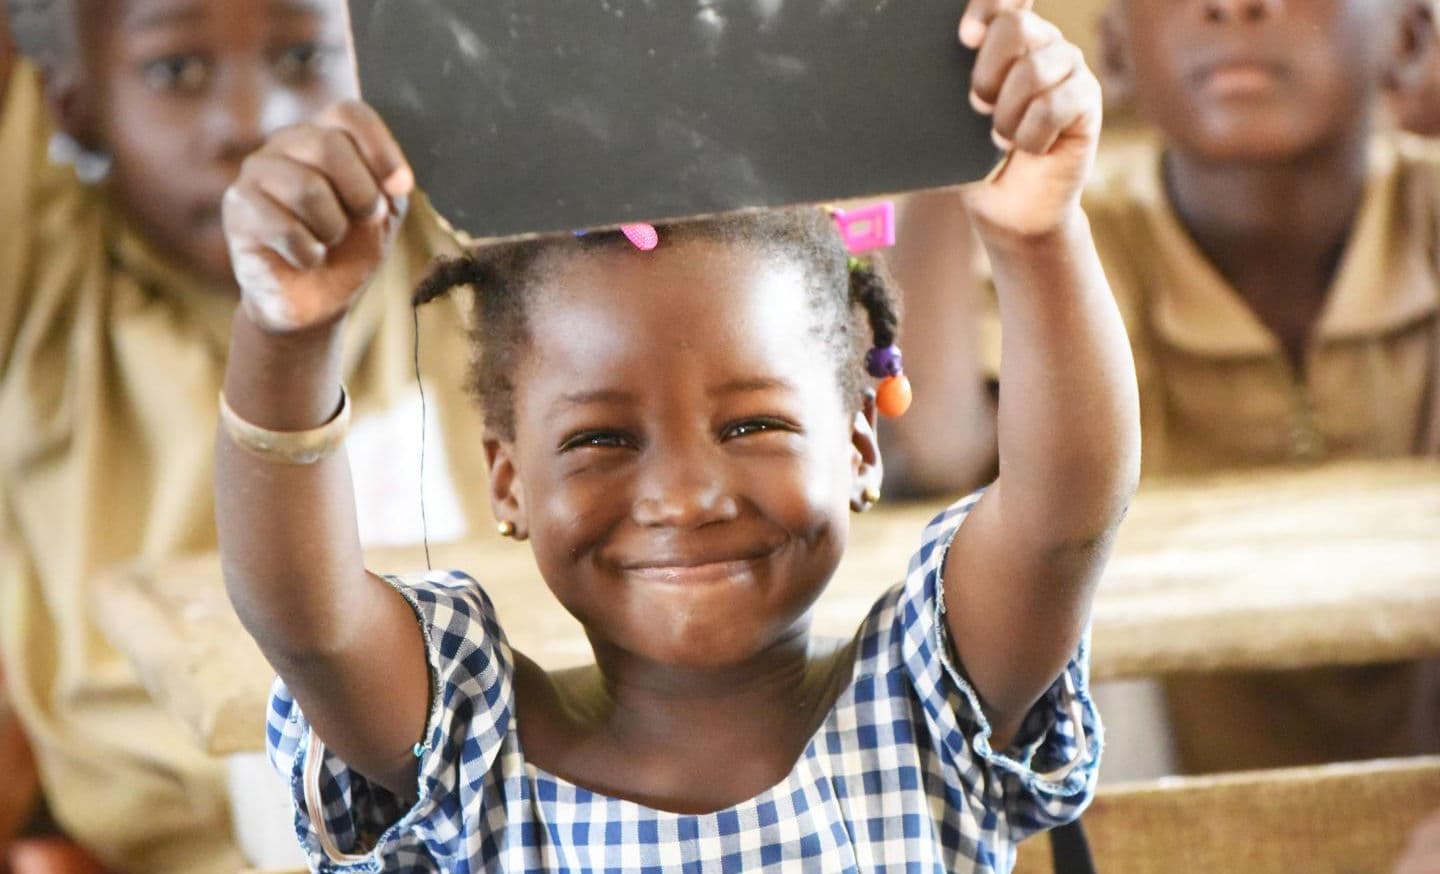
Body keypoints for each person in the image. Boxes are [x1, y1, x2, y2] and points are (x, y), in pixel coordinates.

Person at [213, 1, 1139, 870]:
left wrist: (1040, 235)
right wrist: (287, 336)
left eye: (754, 423)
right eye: (602, 441)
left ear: (859, 443)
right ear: (508, 482)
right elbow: (310, 623)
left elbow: (1065, 523)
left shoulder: (928, 703)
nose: (687, 495)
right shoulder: (470, 757)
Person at [887, 0, 1440, 775]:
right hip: (1161, 796)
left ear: (1411, 37)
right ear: (1113, 52)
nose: (1233, 8)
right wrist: (962, 117)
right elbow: (942, 446)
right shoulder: (1064, 238)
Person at [0, 1, 492, 870]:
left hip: (486, 805)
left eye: (306, 56)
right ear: (71, 102)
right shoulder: (44, 280)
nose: (256, 126)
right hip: (184, 845)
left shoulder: (449, 247)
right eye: (175, 72)